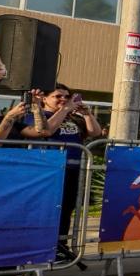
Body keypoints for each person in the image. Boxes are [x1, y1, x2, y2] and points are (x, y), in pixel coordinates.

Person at [21, 83, 103, 260]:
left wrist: (87, 114)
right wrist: (65, 109)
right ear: (44, 98)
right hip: (49, 169)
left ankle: (61, 246)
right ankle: (42, 246)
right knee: (48, 208)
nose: (63, 100)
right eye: (57, 96)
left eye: (67, 96)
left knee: (66, 208)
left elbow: (95, 132)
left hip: (72, 169)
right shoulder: (38, 115)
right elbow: (46, 130)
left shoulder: (71, 118)